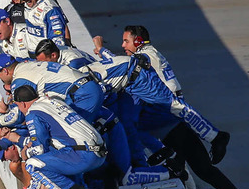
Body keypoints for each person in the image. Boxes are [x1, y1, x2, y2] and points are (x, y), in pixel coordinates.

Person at [94, 26, 229, 164]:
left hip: (164, 102)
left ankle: (211, 139)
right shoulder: (149, 52)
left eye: (126, 41)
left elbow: (123, 66)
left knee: (131, 124)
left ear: (138, 41)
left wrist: (101, 49)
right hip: (167, 100)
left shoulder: (146, 55)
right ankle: (180, 154)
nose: (123, 45)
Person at [9, 85, 106, 189]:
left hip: (84, 156)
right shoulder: (53, 101)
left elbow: (39, 150)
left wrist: (25, 154)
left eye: (18, 106)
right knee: (52, 156)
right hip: (99, 153)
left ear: (23, 103)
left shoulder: (33, 114)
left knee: (32, 163)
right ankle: (90, 186)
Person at [0, 53, 102, 124]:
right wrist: (8, 109)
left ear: (5, 71)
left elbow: (19, 114)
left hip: (82, 94)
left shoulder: (19, 80)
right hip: (87, 87)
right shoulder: (28, 64)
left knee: (75, 136)